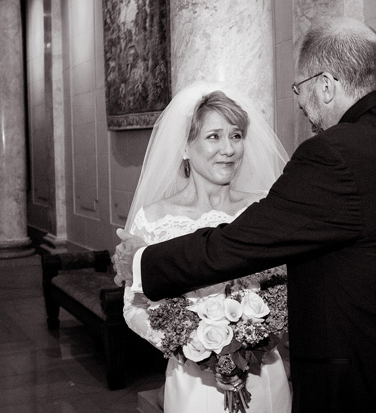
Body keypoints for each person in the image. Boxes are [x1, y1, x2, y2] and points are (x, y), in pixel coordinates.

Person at [115, 18, 376, 412]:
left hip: (365, 385)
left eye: (299, 90)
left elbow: (238, 243)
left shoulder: (335, 154)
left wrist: (141, 261)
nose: (301, 105)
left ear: (325, 85)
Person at [118, 82, 292, 413]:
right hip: (193, 384)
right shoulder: (154, 219)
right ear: (185, 146)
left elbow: (286, 287)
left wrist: (257, 336)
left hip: (263, 376)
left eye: (236, 135)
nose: (229, 148)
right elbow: (133, 306)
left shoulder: (264, 210)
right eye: (214, 136)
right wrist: (191, 343)